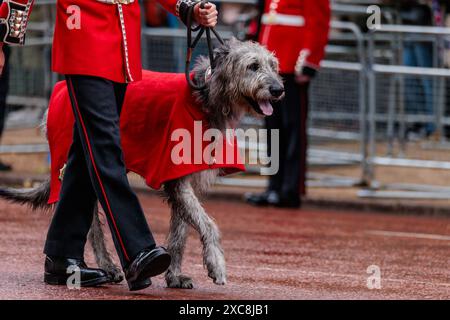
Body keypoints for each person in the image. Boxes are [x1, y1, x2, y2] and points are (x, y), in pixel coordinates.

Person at [0, 0, 218, 291]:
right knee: (106, 146)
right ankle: (137, 250)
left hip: (122, 46)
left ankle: (62, 257)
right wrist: (2, 38)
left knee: (85, 151)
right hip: (82, 39)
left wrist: (186, 8)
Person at [246, 0, 330, 208]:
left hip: (293, 64)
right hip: (268, 66)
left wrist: (309, 62)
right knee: (272, 129)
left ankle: (290, 189)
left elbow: (318, 22)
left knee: (293, 130)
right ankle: (274, 186)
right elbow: (263, 18)